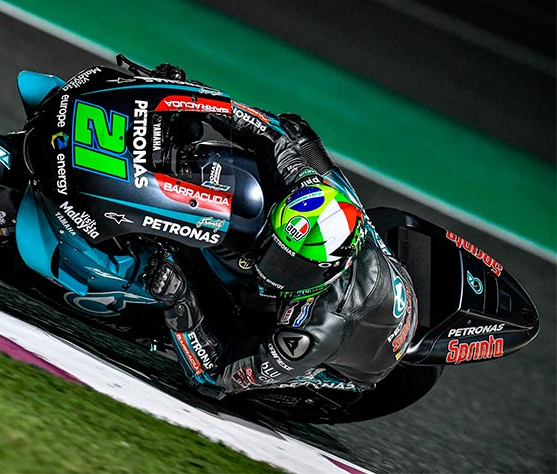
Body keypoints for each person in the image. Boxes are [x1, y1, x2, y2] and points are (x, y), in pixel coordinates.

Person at [144, 63, 418, 397]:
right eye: (277, 253)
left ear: (328, 270)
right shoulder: (310, 192)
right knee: (295, 133)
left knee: (230, 327)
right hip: (381, 273)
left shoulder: (313, 332)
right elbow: (271, 136)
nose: (272, 270)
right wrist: (189, 97)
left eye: (292, 267)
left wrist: (179, 301)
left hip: (359, 358)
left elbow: (214, 376)